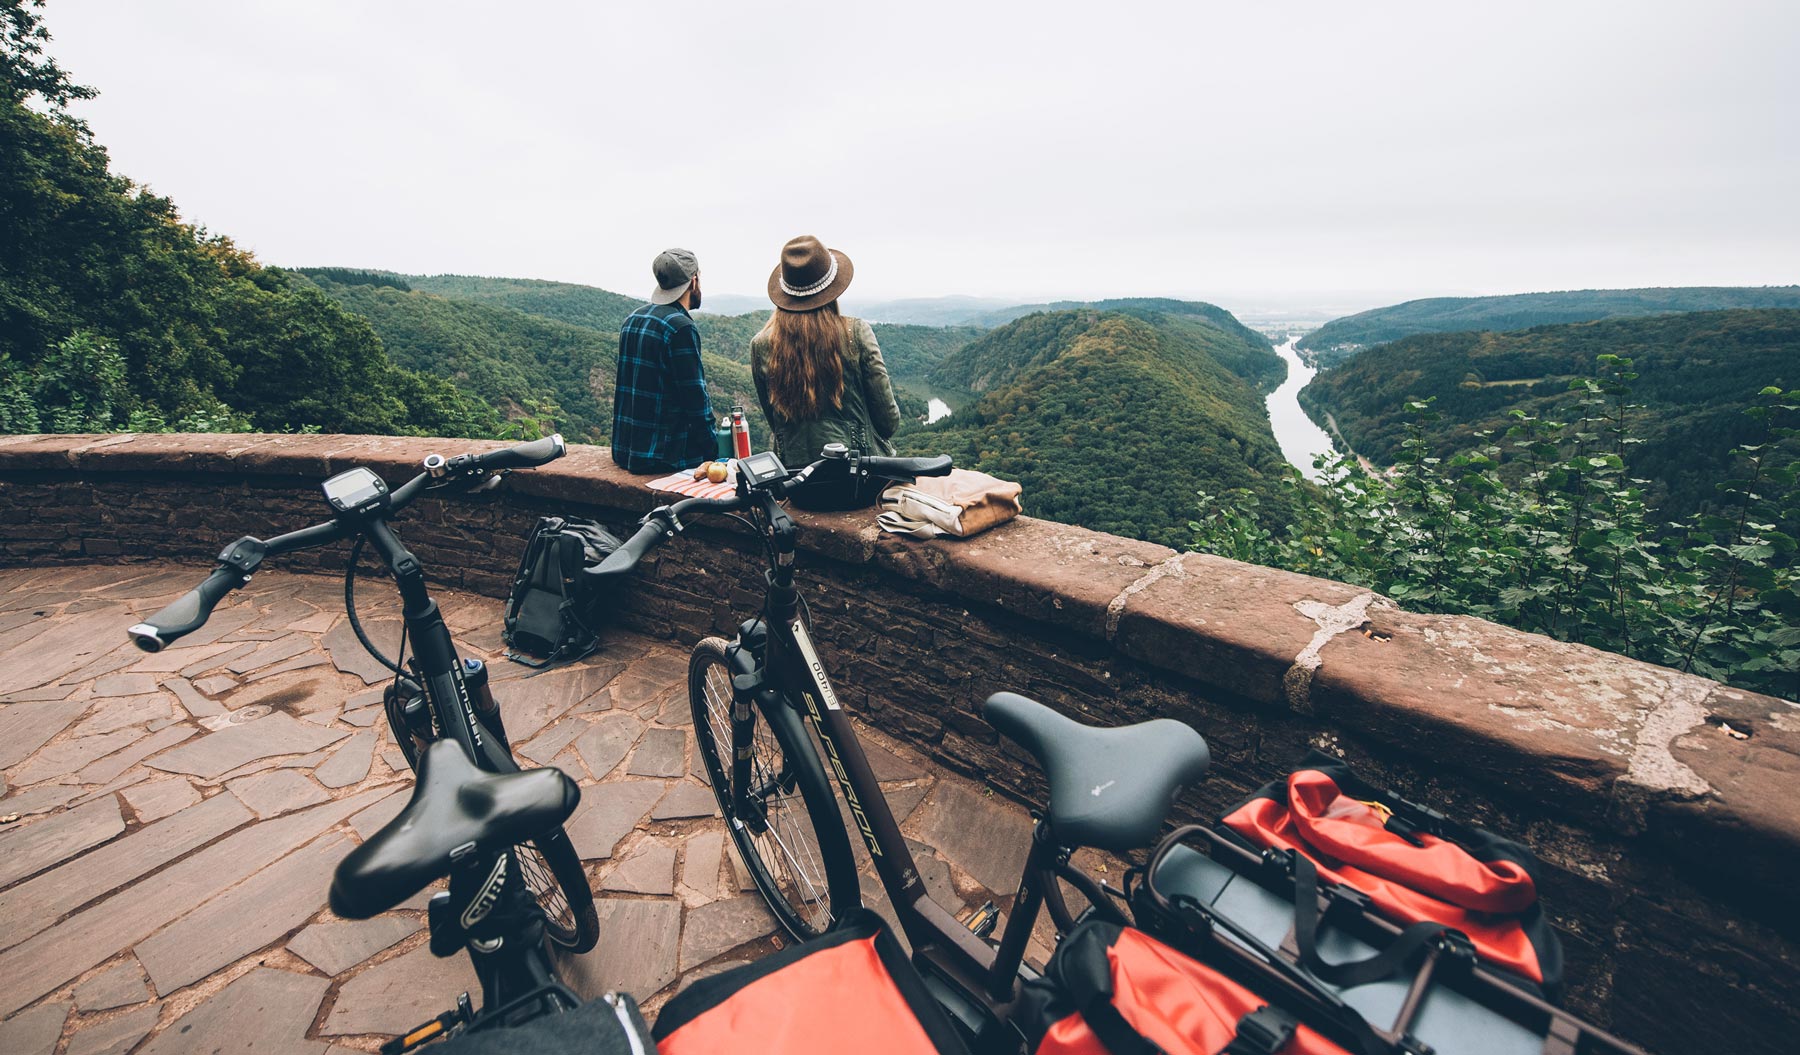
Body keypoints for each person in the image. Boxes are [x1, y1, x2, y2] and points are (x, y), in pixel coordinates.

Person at [750, 235, 902, 509]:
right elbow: (888, 422)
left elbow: (776, 424)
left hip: (799, 487)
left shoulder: (761, 345)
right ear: (833, 289)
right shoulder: (856, 334)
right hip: (861, 484)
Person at [611, 248, 716, 474]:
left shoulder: (633, 318)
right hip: (663, 458)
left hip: (625, 451)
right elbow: (696, 401)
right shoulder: (681, 327)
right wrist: (717, 453)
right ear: (694, 281)